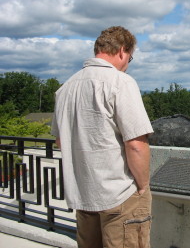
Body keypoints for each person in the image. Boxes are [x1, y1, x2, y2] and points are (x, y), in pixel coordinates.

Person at [52, 26, 154, 248]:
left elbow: (61, 141)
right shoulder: (121, 82)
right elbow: (136, 143)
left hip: (83, 195)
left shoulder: (65, 88)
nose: (128, 64)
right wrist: (143, 186)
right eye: (131, 58)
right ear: (122, 51)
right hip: (120, 195)